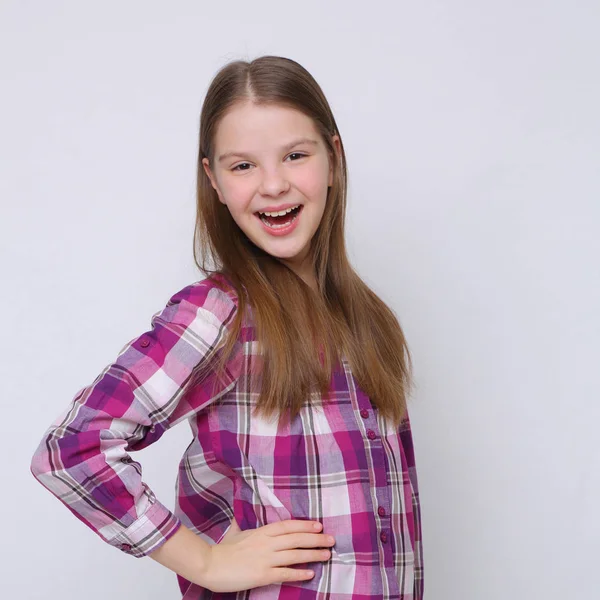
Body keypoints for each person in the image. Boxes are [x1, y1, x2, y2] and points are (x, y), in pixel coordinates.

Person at [30, 55, 424, 599]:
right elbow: (72, 449)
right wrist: (207, 563)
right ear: (213, 179)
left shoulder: (367, 318)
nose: (273, 184)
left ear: (333, 158)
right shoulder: (219, 312)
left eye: (295, 155)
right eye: (243, 166)